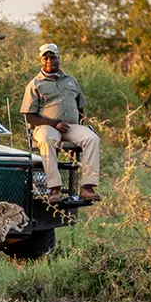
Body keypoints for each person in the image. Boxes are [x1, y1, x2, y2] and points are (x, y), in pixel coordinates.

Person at [20, 43, 101, 203]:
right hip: (46, 126)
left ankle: (87, 187)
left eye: (53, 57)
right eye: (46, 58)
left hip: (70, 126)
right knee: (47, 139)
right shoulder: (35, 84)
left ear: (59, 58)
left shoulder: (71, 81)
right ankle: (54, 189)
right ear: (41, 61)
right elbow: (30, 116)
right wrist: (55, 123)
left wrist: (79, 123)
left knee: (92, 138)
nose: (50, 60)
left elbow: (80, 106)